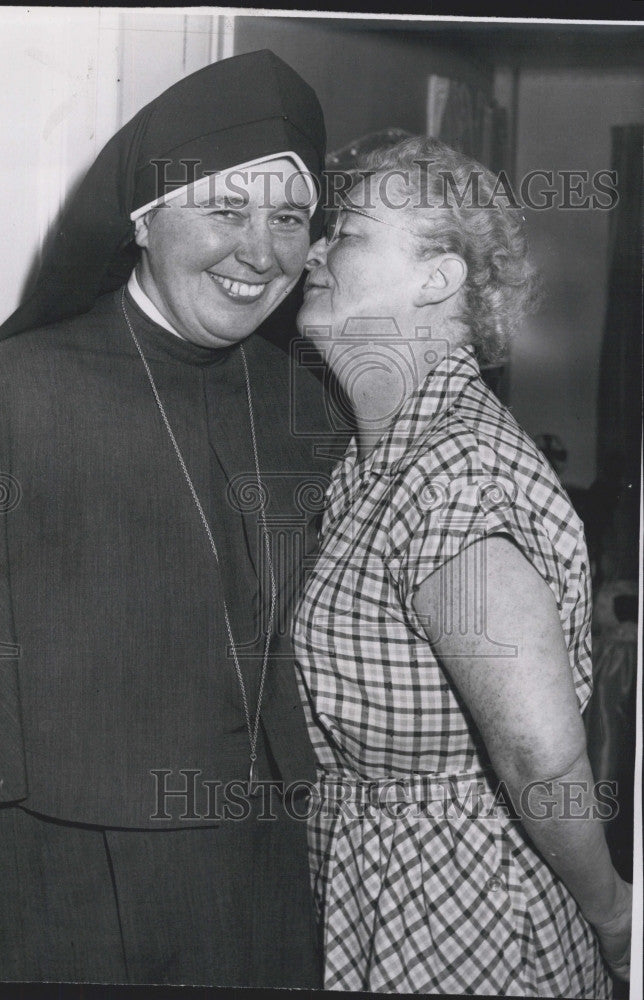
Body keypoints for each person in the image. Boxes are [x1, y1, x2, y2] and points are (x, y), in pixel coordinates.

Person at [0, 49, 331, 986]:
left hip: (254, 874)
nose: (262, 250)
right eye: (227, 208)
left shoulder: (307, 410)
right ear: (144, 216)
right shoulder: (2, 397)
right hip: (54, 875)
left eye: (290, 218)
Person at [292, 136, 632, 995]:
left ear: (438, 280)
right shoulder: (383, 457)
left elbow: (539, 753)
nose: (317, 249)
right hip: (389, 891)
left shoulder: (456, 473)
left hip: (457, 912)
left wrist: (616, 918)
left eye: (352, 232)